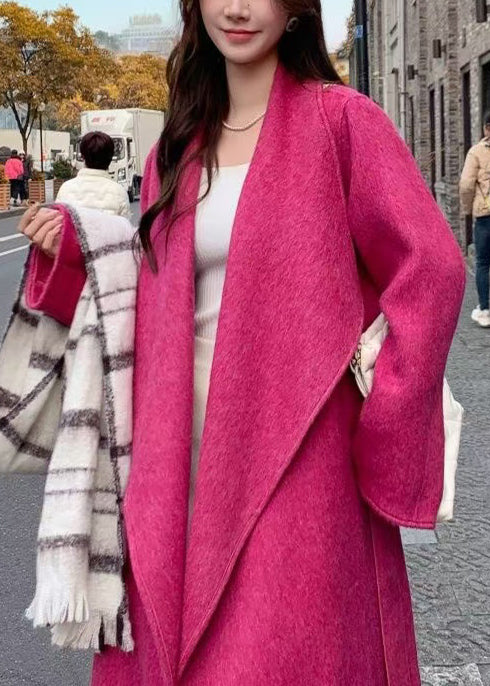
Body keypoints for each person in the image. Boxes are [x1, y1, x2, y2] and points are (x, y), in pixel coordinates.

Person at [16, 1, 465, 684]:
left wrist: (381, 422)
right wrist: (74, 253)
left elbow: (431, 270)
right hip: (176, 436)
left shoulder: (342, 122)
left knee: (279, 650)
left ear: (296, 11)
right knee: (182, 638)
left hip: (297, 443)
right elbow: (148, 286)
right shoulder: (178, 146)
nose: (236, 8)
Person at [55, 131, 131, 219]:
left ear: (83, 156)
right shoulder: (119, 192)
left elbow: (59, 222)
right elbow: (124, 225)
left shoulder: (65, 189)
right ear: (110, 158)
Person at [460, 110, 490, 328]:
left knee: (483, 263)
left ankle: (485, 309)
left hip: (486, 215)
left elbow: (466, 185)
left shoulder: (477, 152)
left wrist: (467, 208)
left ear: (486, 128)